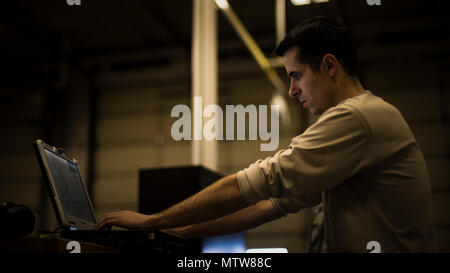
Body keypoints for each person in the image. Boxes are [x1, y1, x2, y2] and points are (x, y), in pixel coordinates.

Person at [97, 16, 437, 252]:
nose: (291, 90)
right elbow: (272, 206)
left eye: (296, 75)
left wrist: (151, 220)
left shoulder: (358, 117)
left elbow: (262, 180)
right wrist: (170, 230)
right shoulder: (360, 124)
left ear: (330, 66)